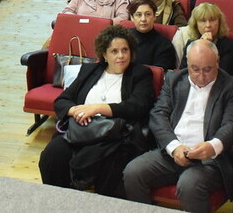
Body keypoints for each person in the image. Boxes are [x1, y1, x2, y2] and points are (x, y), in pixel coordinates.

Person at [123, 39, 233, 211]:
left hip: (209, 160)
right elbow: (158, 115)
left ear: (217, 62)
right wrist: (174, 147)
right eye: (195, 69)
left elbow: (231, 124)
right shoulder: (174, 79)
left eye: (208, 69)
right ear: (187, 63)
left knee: (189, 185)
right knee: (133, 172)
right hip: (173, 152)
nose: (201, 76)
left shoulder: (232, 86)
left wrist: (212, 145)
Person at [39, 25, 155, 196]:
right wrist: (75, 111)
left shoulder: (140, 73)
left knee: (109, 166)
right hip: (80, 132)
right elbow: (62, 101)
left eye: (125, 50)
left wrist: (99, 108)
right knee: (51, 156)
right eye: (114, 51)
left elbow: (138, 106)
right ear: (105, 55)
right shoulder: (89, 70)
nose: (121, 56)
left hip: (116, 137)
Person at [171, 2, 233, 75]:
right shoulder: (190, 44)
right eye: (203, 21)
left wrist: (206, 48)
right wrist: (201, 45)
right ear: (196, 24)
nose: (208, 25)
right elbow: (184, 73)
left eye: (212, 20)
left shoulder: (230, 47)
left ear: (219, 22)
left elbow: (222, 75)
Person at [127, 0, 177, 70]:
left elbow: (158, 74)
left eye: (148, 14)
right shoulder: (123, 37)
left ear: (154, 16)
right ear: (132, 17)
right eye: (138, 15)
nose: (143, 19)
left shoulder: (164, 45)